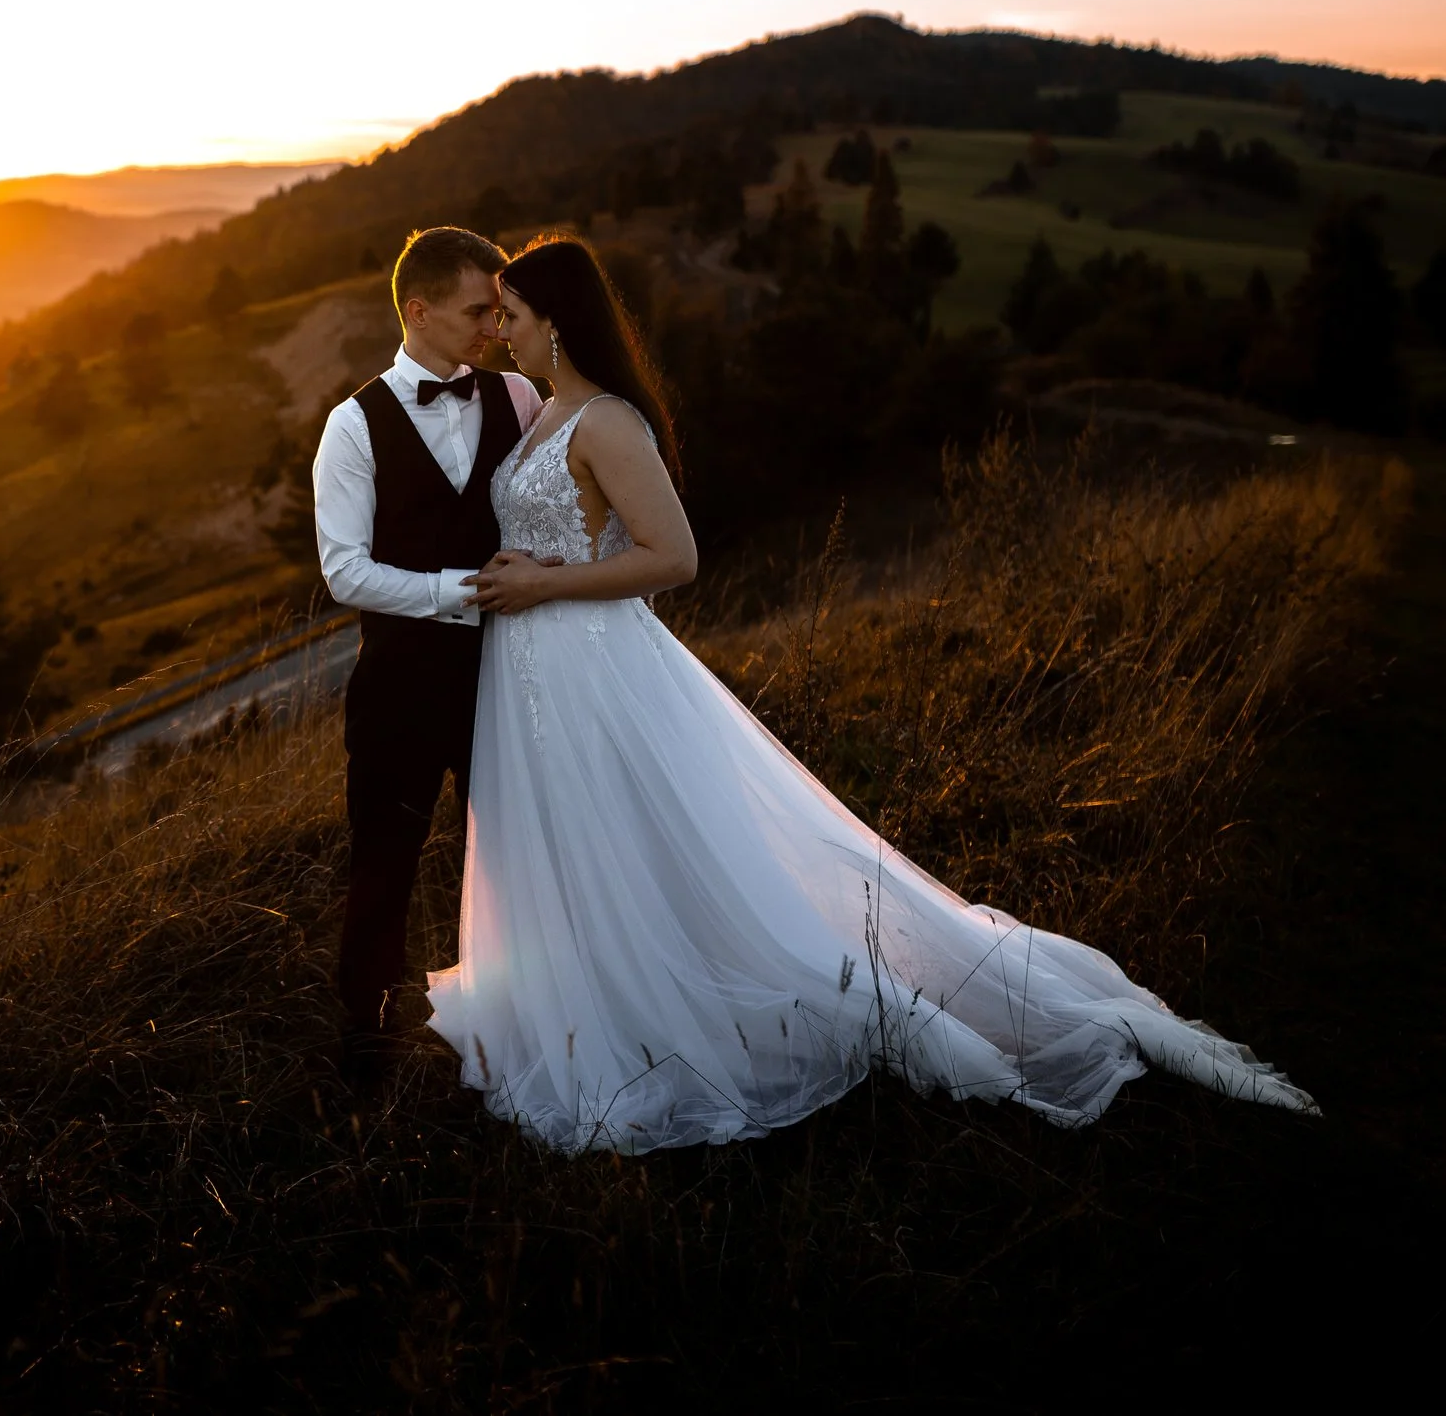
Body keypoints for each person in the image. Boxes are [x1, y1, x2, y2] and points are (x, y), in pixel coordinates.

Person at [427, 235, 1315, 1153]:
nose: (501, 334)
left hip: (591, 665)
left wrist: (544, 584)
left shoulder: (608, 421)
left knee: (626, 839)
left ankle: (676, 1008)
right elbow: (578, 530)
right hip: (531, 671)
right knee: (568, 836)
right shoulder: (539, 414)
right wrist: (536, 566)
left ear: (558, 323)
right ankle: (578, 991)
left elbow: (675, 559)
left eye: (515, 317)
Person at [311, 227, 543, 1076]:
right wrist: (459, 592)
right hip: (400, 691)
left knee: (518, 856)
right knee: (382, 873)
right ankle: (369, 1048)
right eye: (478, 309)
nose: (493, 324)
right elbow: (345, 571)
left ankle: (527, 1027)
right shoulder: (352, 425)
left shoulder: (518, 396)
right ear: (420, 309)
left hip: (509, 678)